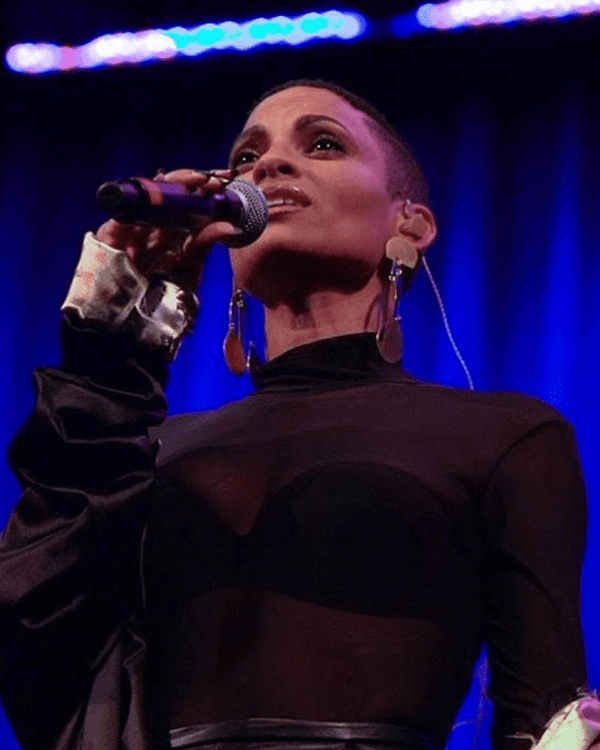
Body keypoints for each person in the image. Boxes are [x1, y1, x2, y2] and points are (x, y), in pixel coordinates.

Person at [0, 78, 596, 750]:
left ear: (410, 223)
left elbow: (544, 717)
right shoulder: (148, 453)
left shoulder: (504, 437)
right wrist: (116, 349)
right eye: (246, 158)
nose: (270, 165)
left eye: (322, 144)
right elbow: (35, 633)